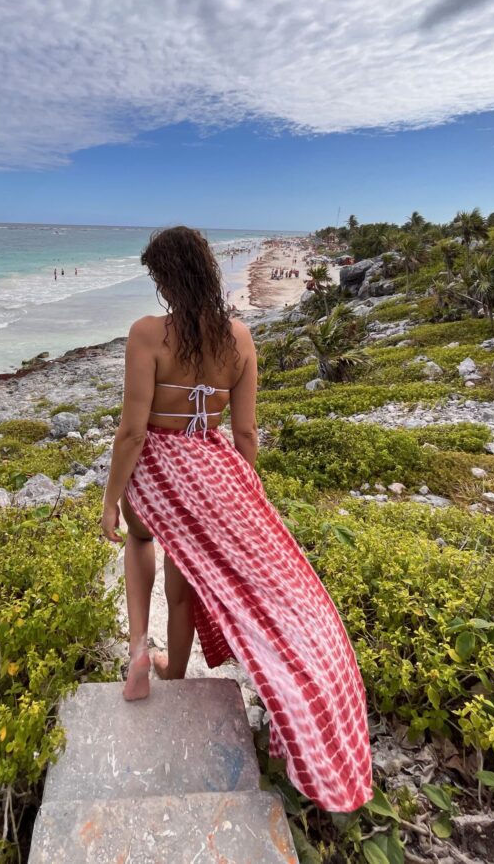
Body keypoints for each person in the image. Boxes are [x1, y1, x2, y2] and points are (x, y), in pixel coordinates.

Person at [100, 226, 373, 814]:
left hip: (160, 469)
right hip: (217, 470)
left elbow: (131, 428)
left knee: (142, 540)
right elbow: (246, 432)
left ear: (167, 278)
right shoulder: (241, 339)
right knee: (189, 572)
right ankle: (173, 672)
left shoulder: (148, 334)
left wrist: (109, 497)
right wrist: (245, 496)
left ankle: (139, 653)